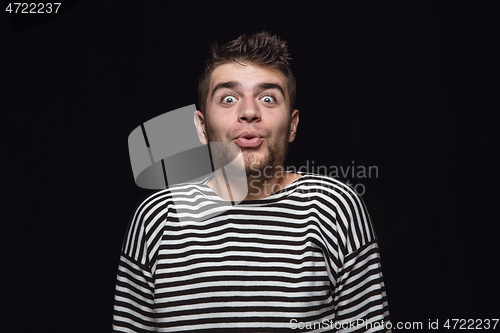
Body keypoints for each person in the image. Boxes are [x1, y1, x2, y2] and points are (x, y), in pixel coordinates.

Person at [113, 31, 390, 332]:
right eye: (228, 98)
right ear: (202, 127)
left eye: (268, 98)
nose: (248, 112)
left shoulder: (334, 209)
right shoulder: (158, 217)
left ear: (293, 125)